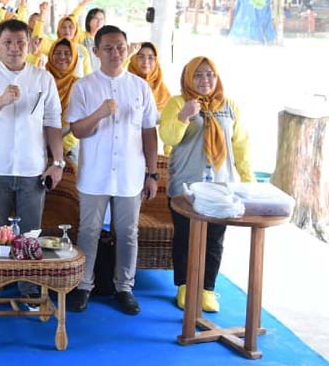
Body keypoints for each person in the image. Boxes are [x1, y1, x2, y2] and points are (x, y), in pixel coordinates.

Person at [0, 19, 63, 307]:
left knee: (30, 232)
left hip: (32, 167)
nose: (14, 48)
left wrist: (57, 162)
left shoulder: (43, 78)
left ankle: (28, 288)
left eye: (20, 42)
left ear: (30, 44)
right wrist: (1, 100)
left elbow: (53, 122)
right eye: (8, 42)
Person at [65, 26, 159, 315]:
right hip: (95, 173)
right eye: (108, 47)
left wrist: (152, 173)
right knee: (89, 231)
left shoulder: (140, 87)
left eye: (120, 47)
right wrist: (99, 113)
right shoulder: (84, 86)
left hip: (130, 173)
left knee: (128, 232)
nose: (115, 53)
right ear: (96, 52)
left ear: (127, 48)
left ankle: (124, 287)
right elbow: (77, 129)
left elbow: (148, 131)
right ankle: (83, 286)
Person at [160, 57, 252, 313]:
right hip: (185, 187)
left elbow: (241, 145)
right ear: (189, 77)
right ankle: (185, 286)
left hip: (222, 188)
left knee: (215, 239)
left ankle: (207, 289)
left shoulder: (229, 106)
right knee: (185, 237)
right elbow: (168, 137)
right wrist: (184, 116)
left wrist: (247, 180)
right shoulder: (178, 103)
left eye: (210, 75)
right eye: (198, 75)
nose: (205, 80)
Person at [45, 39, 81, 168]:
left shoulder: (79, 85)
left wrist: (63, 145)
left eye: (67, 53)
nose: (62, 57)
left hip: (68, 148)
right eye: (58, 52)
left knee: (67, 187)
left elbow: (83, 120)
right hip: (39, 146)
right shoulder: (41, 78)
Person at [128, 42, 172, 112]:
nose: (146, 61)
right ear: (134, 59)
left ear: (156, 61)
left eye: (150, 57)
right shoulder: (125, 83)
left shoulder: (162, 90)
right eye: (141, 57)